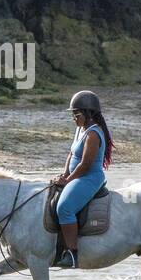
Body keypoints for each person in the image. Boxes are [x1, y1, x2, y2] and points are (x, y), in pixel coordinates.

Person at [52, 90, 114, 268]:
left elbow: (85, 165)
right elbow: (71, 154)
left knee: (64, 208)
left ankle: (72, 254)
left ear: (88, 114)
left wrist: (69, 180)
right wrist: (64, 174)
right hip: (76, 174)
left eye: (76, 114)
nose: (74, 118)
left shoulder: (93, 134)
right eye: (73, 114)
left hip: (89, 177)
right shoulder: (81, 129)